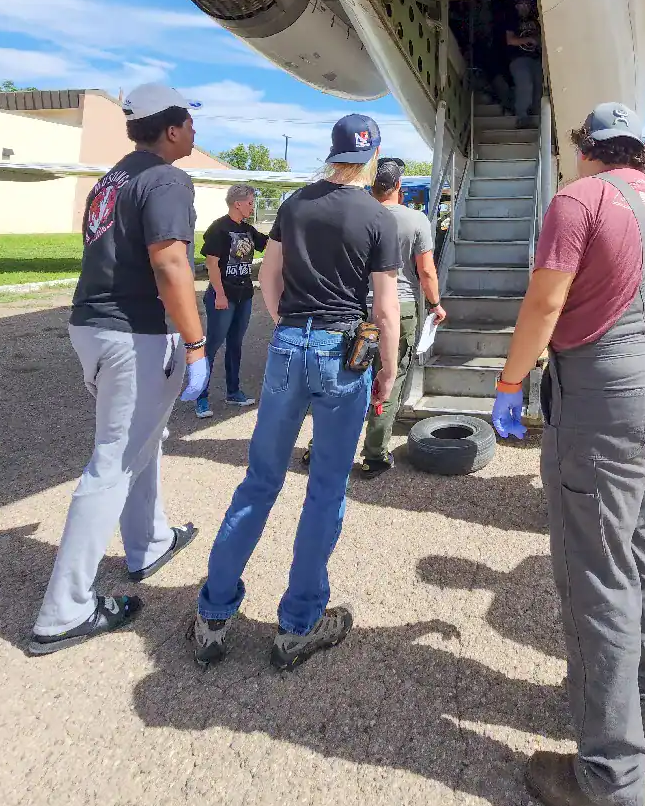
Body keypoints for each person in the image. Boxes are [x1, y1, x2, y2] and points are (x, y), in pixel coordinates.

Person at [491, 103, 645, 806]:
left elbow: (546, 299)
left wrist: (511, 382)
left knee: (596, 568)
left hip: (605, 390)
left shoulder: (579, 199)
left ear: (588, 149)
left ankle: (610, 772)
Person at [191, 114, 401, 671]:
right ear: (373, 156)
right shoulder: (380, 218)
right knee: (326, 488)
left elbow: (268, 275)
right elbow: (384, 308)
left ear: (332, 152)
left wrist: (284, 322)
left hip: (289, 346)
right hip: (342, 354)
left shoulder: (295, 205)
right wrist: (387, 369)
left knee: (260, 480)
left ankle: (213, 614)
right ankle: (297, 625)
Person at [28, 83, 208, 655]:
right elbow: (172, 262)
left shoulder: (112, 180)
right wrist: (197, 342)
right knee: (112, 463)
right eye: (190, 123)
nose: (195, 133)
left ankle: (149, 542)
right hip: (133, 330)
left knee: (140, 445)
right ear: (173, 128)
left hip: (94, 324)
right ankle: (64, 610)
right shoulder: (167, 179)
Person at [301, 157, 446, 477]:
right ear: (399, 186)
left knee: (343, 381)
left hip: (351, 309)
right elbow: (426, 271)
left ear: (371, 185)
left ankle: (321, 449)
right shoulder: (415, 220)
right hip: (400, 308)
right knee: (387, 385)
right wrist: (435, 304)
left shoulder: (353, 215)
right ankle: (374, 455)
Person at [195, 184, 268, 419]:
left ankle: (233, 392)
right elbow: (212, 264)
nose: (252, 206)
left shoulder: (247, 229)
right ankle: (201, 396)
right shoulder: (219, 228)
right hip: (222, 296)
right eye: (249, 202)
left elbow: (268, 244)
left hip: (244, 295)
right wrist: (220, 294)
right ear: (237, 203)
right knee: (213, 345)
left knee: (235, 345)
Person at [502, 0, 542, 127]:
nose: (523, 7)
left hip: (535, 58)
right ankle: (522, 116)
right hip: (518, 58)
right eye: (521, 4)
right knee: (525, 85)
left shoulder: (535, 20)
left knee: (538, 86)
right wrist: (528, 40)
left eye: (526, 4)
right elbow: (510, 40)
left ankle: (536, 115)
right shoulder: (512, 20)